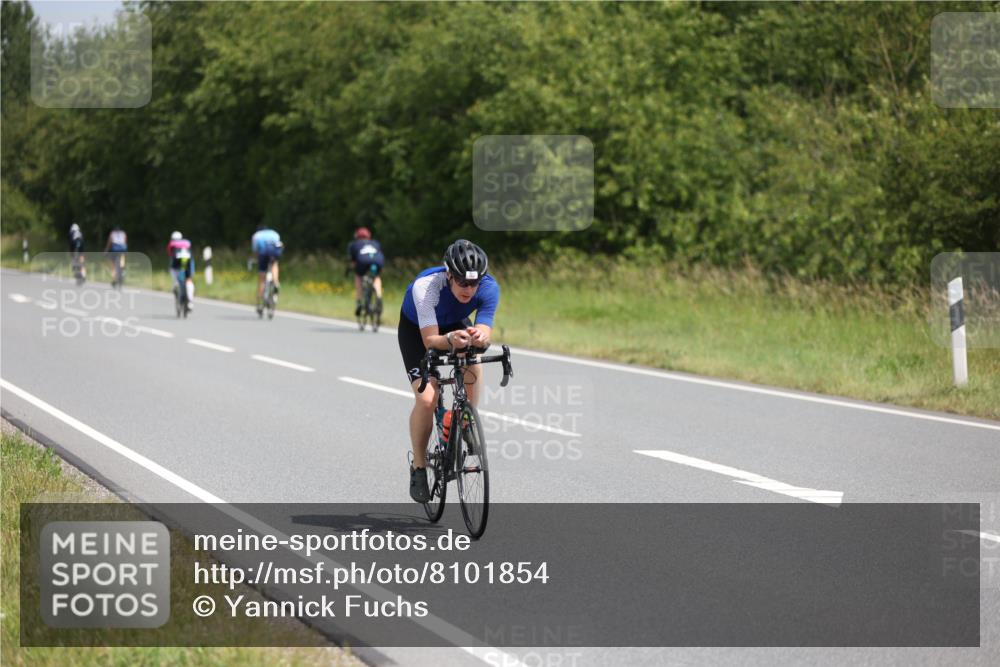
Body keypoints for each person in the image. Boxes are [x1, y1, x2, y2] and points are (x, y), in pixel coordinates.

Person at [398, 239, 500, 503]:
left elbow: (485, 332)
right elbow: (431, 341)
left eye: (474, 283)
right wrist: (451, 339)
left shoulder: (489, 288)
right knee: (427, 399)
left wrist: (479, 337)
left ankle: (465, 418)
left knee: (473, 355)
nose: (469, 289)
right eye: (463, 283)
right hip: (418, 330)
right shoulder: (426, 287)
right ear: (449, 275)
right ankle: (419, 467)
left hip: (454, 323)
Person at [347, 227, 384, 316]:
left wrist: (349, 270)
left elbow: (353, 262)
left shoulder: (354, 244)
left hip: (363, 261)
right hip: (378, 260)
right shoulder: (375, 243)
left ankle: (359, 301)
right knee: (376, 277)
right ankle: (378, 296)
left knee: (358, 276)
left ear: (357, 237)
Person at [251, 224, 283, 310]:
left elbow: (255, 251)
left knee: (262, 278)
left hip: (264, 253)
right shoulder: (275, 233)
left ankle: (261, 297)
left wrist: (255, 259)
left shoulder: (256, 235)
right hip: (275, 252)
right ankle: (275, 282)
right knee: (274, 264)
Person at [167, 231, 195, 309]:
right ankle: (190, 302)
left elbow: (170, 255)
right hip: (187, 263)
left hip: (176, 265)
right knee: (189, 281)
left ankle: (176, 286)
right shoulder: (187, 243)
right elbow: (192, 258)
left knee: (176, 280)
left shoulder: (172, 244)